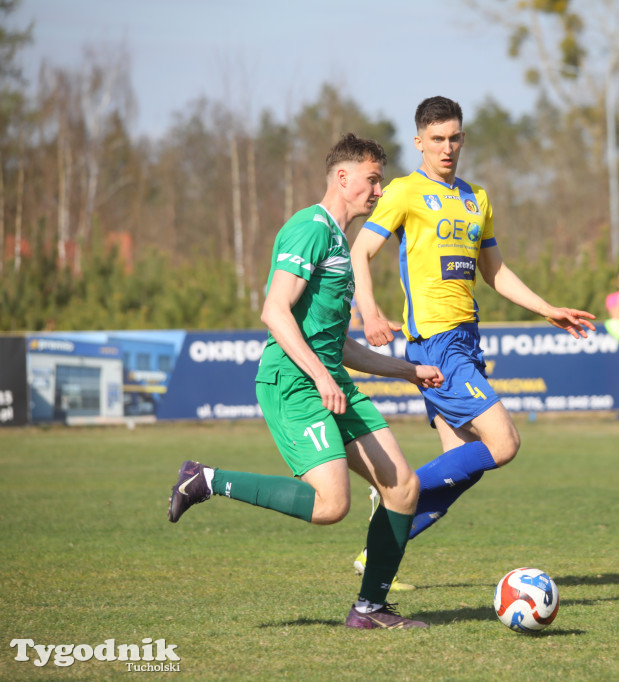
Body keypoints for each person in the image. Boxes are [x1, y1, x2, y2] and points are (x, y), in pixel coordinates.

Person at [166, 134, 441, 630]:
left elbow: (341, 347)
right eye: (372, 179)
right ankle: (205, 480)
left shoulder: (340, 241)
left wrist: (406, 370)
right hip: (294, 383)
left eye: (380, 180)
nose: (378, 190)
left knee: (403, 487)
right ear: (343, 177)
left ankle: (370, 610)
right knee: (332, 504)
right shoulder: (309, 228)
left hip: (329, 379)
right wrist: (319, 376)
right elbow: (274, 310)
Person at [349, 96, 596, 575]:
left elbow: (495, 272)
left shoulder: (476, 197)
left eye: (454, 138)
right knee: (503, 445)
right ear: (419, 142)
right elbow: (361, 252)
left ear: (463, 139)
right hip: (436, 343)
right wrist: (369, 311)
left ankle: (375, 554)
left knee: (461, 470)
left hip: (467, 341)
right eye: (437, 139)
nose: (447, 147)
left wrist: (547, 308)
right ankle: (393, 491)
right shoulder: (403, 192)